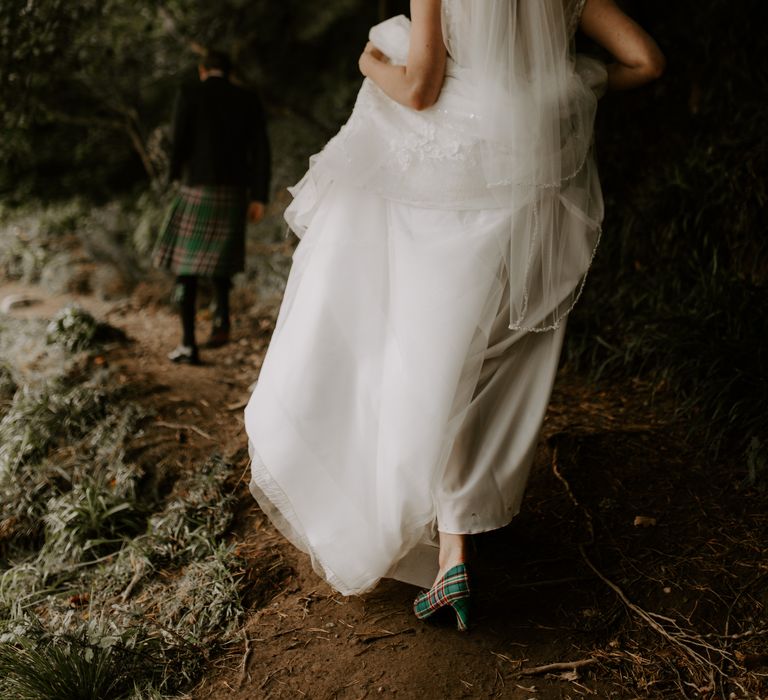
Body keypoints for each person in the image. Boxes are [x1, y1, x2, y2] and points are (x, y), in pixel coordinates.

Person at [244, 0, 664, 629]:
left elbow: (418, 89)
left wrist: (368, 61)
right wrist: (571, 85)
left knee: (427, 354)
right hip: (533, 191)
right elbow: (646, 62)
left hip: (443, 195)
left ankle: (450, 551)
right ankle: (454, 548)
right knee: (492, 364)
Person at [153, 49, 271, 364]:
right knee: (221, 259)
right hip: (234, 191)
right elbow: (261, 149)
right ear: (228, 72)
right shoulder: (247, 98)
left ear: (203, 70)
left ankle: (188, 344)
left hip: (198, 186)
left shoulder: (190, 92)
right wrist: (259, 195)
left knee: (186, 268)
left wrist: (173, 177)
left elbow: (179, 141)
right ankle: (221, 322)